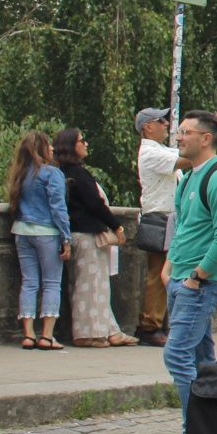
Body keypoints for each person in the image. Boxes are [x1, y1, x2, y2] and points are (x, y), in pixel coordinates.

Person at [159, 111, 217, 434]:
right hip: (181, 278)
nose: (178, 137)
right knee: (202, 361)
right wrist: (170, 268)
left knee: (176, 354)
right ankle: (215, 433)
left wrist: (198, 275)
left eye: (184, 132)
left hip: (199, 283)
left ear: (205, 138)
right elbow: (182, 227)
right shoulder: (187, 178)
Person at [53, 128, 134, 349]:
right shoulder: (77, 174)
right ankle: (88, 332)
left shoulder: (62, 172)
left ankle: (108, 329)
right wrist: (116, 226)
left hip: (78, 232)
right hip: (86, 233)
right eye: (82, 141)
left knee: (95, 283)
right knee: (89, 284)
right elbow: (94, 204)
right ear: (72, 146)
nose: (86, 144)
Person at [5, 131, 70, 351]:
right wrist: (66, 238)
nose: (52, 148)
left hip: (22, 231)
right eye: (49, 145)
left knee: (29, 282)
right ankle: (47, 335)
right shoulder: (51, 174)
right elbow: (58, 207)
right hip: (47, 232)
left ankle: (28, 334)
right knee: (52, 282)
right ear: (42, 149)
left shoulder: (21, 174)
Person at [133, 108, 176, 346]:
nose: (166, 124)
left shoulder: (158, 150)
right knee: (159, 273)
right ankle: (150, 324)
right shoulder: (150, 152)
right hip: (160, 217)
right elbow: (188, 159)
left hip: (167, 216)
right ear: (148, 126)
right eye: (161, 121)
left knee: (165, 272)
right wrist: (209, 136)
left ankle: (158, 322)